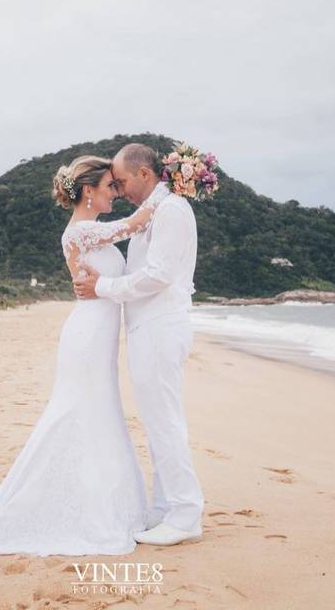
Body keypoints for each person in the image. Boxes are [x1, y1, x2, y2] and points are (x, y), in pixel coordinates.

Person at [0, 155, 167, 556]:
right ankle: (74, 507)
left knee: (99, 413)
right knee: (81, 413)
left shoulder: (91, 231)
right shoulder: (80, 233)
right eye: (111, 185)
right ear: (89, 190)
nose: (116, 192)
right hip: (88, 336)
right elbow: (134, 224)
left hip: (100, 335)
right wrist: (169, 187)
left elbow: (127, 234)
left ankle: (100, 501)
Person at [72, 143, 204, 547]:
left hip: (161, 327)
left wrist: (103, 288)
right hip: (148, 328)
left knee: (164, 422)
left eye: (123, 181)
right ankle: (166, 510)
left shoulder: (173, 211)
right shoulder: (153, 214)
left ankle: (185, 513)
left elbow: (158, 275)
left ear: (145, 175)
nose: (121, 189)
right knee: (157, 421)